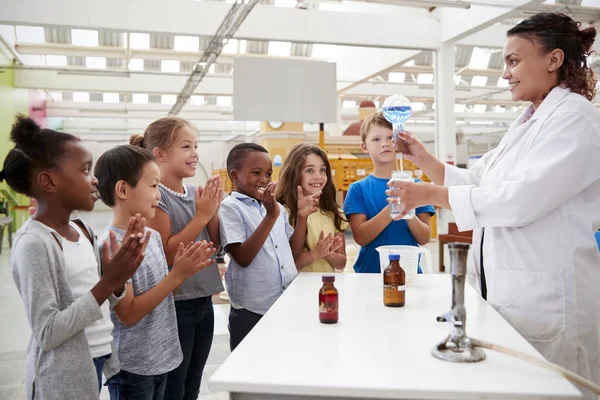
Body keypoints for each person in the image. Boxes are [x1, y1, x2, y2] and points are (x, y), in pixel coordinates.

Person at [386, 13, 600, 398]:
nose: (505, 74)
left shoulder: (576, 121)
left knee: (559, 389)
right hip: (512, 293)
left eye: (514, 61)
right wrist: (424, 160)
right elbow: (483, 181)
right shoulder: (528, 121)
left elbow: (518, 200)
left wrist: (427, 195)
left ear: (553, 60)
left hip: (551, 299)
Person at [1, 116, 147, 399]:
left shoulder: (83, 230)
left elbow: (100, 297)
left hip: (93, 361)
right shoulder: (34, 243)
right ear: (48, 181)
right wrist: (108, 283)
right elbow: (47, 331)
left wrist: (118, 281)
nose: (94, 180)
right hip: (59, 377)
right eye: (84, 170)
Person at [95, 145, 217, 400]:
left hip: (163, 357)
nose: (159, 196)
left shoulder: (151, 236)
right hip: (133, 367)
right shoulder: (111, 246)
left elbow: (164, 293)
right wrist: (176, 275)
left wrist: (184, 271)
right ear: (122, 190)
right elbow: (128, 314)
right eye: (153, 187)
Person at [130, 117, 223, 400]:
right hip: (177, 305)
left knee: (193, 383)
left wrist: (213, 209)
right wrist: (202, 215)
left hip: (204, 302)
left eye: (196, 146)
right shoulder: (158, 199)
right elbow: (167, 252)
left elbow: (214, 245)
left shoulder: (195, 193)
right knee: (175, 387)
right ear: (159, 153)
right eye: (186, 146)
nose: (195, 153)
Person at [218, 143, 320, 350]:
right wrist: (270, 216)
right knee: (249, 369)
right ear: (235, 176)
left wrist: (301, 218)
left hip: (285, 302)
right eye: (256, 173)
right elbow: (243, 257)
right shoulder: (230, 208)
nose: (264, 180)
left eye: (268, 173)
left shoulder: (277, 208)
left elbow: (292, 252)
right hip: (252, 310)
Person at [343, 112, 435, 273]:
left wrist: (409, 211)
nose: (385, 143)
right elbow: (361, 237)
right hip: (369, 275)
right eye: (376, 139)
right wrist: (393, 206)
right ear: (364, 146)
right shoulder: (358, 189)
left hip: (409, 274)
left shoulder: (418, 186)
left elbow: (424, 237)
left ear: (400, 142)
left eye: (390, 138)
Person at [276, 143, 347, 272]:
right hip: (296, 289)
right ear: (294, 174)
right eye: (309, 170)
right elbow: (286, 264)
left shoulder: (334, 213)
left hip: (326, 287)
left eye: (322, 170)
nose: (318, 176)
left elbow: (341, 263)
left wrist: (328, 253)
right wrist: (314, 254)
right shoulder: (282, 212)